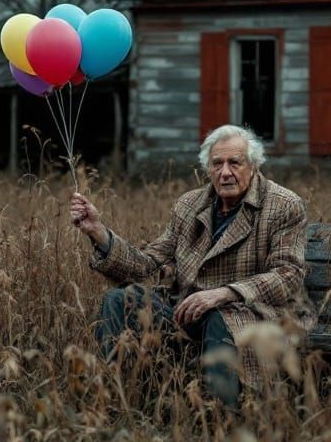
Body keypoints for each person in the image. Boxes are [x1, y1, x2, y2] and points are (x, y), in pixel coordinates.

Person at [69, 124, 316, 408]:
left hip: (256, 313)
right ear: (207, 168)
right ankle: (114, 400)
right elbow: (147, 265)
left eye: (235, 163)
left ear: (253, 165)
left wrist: (225, 293)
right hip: (189, 311)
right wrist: (98, 232)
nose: (225, 172)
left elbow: (288, 275)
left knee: (221, 318)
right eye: (217, 164)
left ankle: (222, 416)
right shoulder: (189, 204)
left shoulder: (284, 205)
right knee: (119, 300)